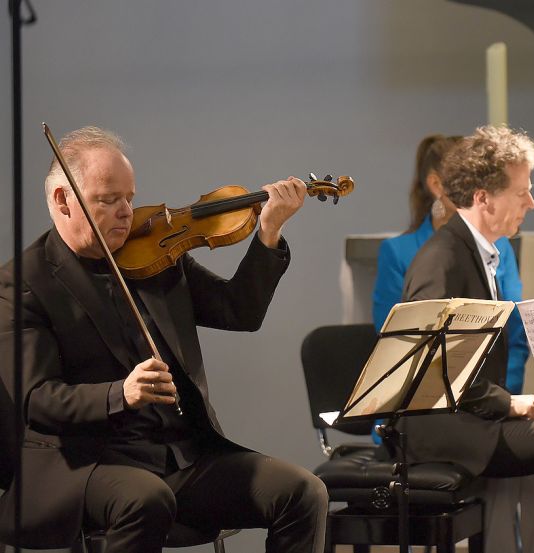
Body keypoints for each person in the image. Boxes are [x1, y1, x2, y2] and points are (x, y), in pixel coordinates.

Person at [0, 127, 328, 552]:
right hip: (85, 463)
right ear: (63, 201)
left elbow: (238, 312)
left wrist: (268, 233)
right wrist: (122, 393)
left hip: (180, 456)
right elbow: (36, 400)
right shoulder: (23, 284)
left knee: (304, 492)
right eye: (108, 199)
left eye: (129, 197)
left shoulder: (156, 254)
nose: (126, 212)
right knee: (145, 498)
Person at [400, 125, 534, 553]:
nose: (532, 202)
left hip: (470, 418)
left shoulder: (477, 251)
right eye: (522, 192)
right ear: (484, 197)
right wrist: (506, 402)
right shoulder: (441, 260)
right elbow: (436, 371)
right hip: (443, 428)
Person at [372, 134, 530, 393]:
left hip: (491, 395)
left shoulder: (500, 245)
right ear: (436, 185)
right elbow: (400, 343)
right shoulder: (408, 252)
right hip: (434, 403)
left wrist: (506, 397)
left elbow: (515, 333)